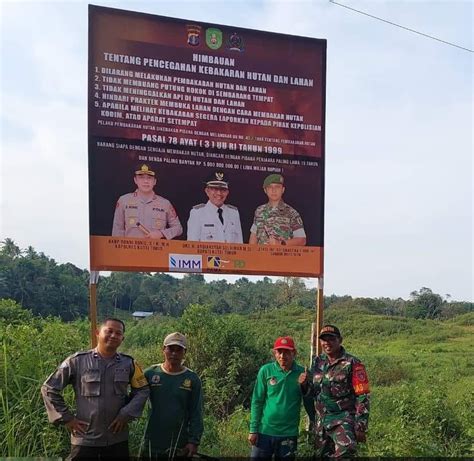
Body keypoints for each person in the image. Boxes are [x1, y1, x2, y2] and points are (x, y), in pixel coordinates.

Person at [41, 318, 149, 460]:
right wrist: (67, 418)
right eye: (109, 331)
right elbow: (49, 388)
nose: (113, 336)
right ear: (98, 333)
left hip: (117, 439)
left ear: (122, 338)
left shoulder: (129, 363)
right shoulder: (77, 361)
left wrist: (126, 413)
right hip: (85, 439)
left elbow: (142, 390)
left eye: (118, 333)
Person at [300, 325, 370, 458]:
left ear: (340, 340)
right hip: (322, 422)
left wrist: (360, 426)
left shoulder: (352, 363)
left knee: (345, 453)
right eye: (324, 340)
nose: (327, 343)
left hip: (343, 420)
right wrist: (304, 385)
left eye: (331, 339)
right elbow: (314, 392)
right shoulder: (318, 362)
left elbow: (363, 395)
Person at [248, 336, 315, 459]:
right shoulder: (266, 371)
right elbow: (257, 401)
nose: (282, 356)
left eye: (287, 352)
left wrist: (305, 386)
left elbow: (309, 402)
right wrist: (253, 430)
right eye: (279, 352)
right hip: (264, 432)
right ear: (275, 353)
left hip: (288, 434)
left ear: (294, 353)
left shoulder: (302, 373)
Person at [143, 332, 204, 458]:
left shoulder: (192, 379)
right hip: (152, 443)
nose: (174, 354)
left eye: (179, 350)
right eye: (170, 349)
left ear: (184, 352)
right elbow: (134, 399)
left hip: (179, 445)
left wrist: (194, 441)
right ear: (163, 350)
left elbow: (196, 412)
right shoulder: (150, 374)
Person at [112, 163, 183, 239]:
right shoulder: (124, 200)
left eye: (149, 178)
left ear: (155, 181)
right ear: (135, 180)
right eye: (141, 177)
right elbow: (117, 230)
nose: (145, 181)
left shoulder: (165, 204)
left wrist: (161, 233)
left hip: (156, 249)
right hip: (130, 249)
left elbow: (178, 228)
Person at [249, 174, 306, 246]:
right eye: (270, 187)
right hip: (260, 256)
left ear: (283, 190)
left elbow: (302, 240)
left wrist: (280, 244)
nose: (273, 190)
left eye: (277, 187)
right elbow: (253, 236)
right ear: (265, 190)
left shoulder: (291, 213)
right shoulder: (259, 210)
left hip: (280, 256)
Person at [187, 171, 243, 243]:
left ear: (227, 192)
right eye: (215, 189)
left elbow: (239, 244)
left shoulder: (234, 213)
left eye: (223, 190)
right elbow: (192, 246)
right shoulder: (197, 213)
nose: (219, 193)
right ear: (207, 191)